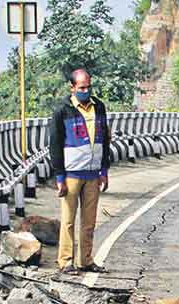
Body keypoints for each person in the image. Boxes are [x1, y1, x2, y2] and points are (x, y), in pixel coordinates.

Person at [50, 68, 110, 273]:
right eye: (81, 87)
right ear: (72, 87)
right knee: (68, 221)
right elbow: (55, 144)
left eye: (88, 86)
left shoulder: (99, 107)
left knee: (89, 222)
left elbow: (106, 139)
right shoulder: (62, 110)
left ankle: (85, 260)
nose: (86, 90)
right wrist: (59, 176)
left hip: (93, 174)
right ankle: (65, 261)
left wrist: (104, 169)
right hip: (71, 174)